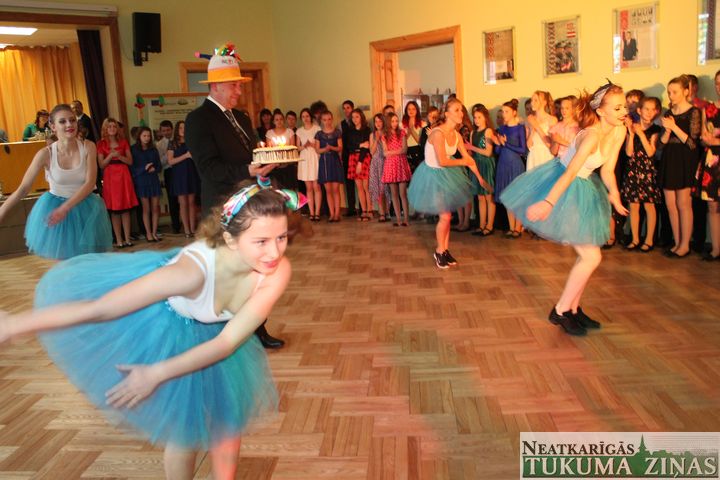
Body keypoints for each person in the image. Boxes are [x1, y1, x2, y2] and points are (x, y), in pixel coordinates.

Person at [0, 179, 306, 480]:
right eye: (261, 241)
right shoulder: (188, 274)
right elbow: (101, 309)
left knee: (227, 423)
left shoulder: (277, 271)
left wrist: (157, 374)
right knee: (184, 431)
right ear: (230, 239)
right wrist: (15, 325)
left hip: (220, 335)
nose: (274, 252)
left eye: (281, 237)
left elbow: (226, 343)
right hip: (171, 326)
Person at [500, 81, 628, 336]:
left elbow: (608, 170)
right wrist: (548, 202)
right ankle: (560, 311)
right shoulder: (591, 136)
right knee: (592, 257)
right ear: (601, 111)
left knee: (587, 256)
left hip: (583, 187)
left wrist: (614, 194)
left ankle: (573, 309)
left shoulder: (619, 131)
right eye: (617, 108)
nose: (624, 111)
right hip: (563, 186)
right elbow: (569, 173)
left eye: (624, 106)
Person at [182, 44, 283, 349]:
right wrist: (247, 169)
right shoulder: (198, 120)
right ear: (216, 86)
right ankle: (228, 332)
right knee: (229, 273)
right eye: (234, 85)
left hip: (250, 203)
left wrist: (265, 167)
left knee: (255, 268)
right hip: (222, 208)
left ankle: (257, 328)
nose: (239, 90)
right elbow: (209, 168)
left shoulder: (241, 117)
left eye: (240, 85)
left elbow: (253, 154)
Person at [0, 104, 112, 259]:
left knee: (89, 261)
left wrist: (65, 208)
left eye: (72, 120)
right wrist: (2, 211)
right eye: (62, 121)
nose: (69, 124)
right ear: (53, 126)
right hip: (56, 208)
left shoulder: (88, 146)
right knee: (66, 262)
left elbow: (89, 183)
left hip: (85, 209)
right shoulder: (45, 154)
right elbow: (24, 188)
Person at [408, 98, 491, 269]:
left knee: (447, 217)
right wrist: (463, 162)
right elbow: (443, 161)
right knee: (445, 216)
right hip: (432, 176)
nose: (461, 113)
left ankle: (445, 250)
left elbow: (468, 159)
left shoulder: (457, 135)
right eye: (456, 110)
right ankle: (439, 251)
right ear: (446, 114)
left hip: (446, 175)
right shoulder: (438, 134)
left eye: (461, 110)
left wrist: (480, 179)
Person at [659, 75, 701, 258]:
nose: (671, 95)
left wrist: (674, 127)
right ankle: (677, 243)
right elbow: (662, 143)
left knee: (683, 204)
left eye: (675, 92)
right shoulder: (668, 113)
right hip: (669, 158)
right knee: (671, 204)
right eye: (669, 92)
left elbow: (692, 143)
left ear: (686, 91)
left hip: (685, 159)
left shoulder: (694, 112)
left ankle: (685, 245)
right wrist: (667, 130)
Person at [622, 97, 662, 252]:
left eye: (653, 109)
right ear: (639, 110)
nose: (649, 112)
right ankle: (635, 239)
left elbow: (651, 152)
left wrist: (641, 134)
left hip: (647, 171)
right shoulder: (632, 128)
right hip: (633, 170)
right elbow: (628, 152)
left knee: (649, 206)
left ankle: (649, 239)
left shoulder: (655, 129)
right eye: (646, 109)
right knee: (633, 206)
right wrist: (632, 134)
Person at [97, 118, 138, 248]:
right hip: (110, 177)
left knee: (125, 209)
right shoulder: (101, 144)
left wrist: (119, 156)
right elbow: (101, 164)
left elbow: (130, 161)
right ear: (105, 129)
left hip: (124, 175)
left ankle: (127, 239)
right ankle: (119, 240)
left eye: (114, 126)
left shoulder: (123, 142)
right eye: (109, 127)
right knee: (115, 210)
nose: (112, 129)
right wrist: (111, 155)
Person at [694, 69, 720, 261]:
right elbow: (703, 137)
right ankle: (716, 249)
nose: (719, 87)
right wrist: (706, 140)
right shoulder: (708, 109)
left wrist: (716, 141)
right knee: (712, 206)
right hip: (712, 160)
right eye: (717, 83)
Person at [494, 99, 527, 238]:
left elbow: (522, 150)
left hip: (515, 165)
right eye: (502, 111)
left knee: (516, 197)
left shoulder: (520, 128)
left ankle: (518, 228)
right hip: (503, 163)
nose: (504, 114)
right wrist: (498, 143)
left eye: (506, 111)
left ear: (514, 112)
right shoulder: (502, 128)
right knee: (507, 196)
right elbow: (497, 151)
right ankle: (512, 227)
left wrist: (505, 143)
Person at [467, 104, 496, 236]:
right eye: (475, 117)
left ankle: (490, 226)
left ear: (485, 117)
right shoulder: (473, 133)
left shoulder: (488, 131)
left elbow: (488, 152)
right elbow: (471, 151)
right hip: (476, 165)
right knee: (480, 197)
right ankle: (481, 225)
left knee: (488, 196)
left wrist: (472, 148)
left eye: (479, 117)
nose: (477, 120)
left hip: (486, 164)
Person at [131, 126, 163, 242]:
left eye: (148, 136)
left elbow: (159, 166)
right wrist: (144, 169)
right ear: (139, 136)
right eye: (144, 136)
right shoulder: (133, 149)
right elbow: (132, 169)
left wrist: (155, 169)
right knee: (146, 209)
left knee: (155, 208)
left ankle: (154, 233)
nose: (147, 138)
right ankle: (148, 233)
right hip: (142, 181)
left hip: (153, 180)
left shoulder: (153, 149)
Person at [382, 112, 412, 226]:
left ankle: (406, 219)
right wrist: (397, 151)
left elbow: (404, 150)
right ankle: (398, 219)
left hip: (401, 164)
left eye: (396, 121)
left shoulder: (402, 133)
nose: (395, 123)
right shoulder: (384, 136)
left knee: (402, 194)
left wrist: (391, 152)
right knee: (394, 194)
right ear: (388, 122)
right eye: (392, 121)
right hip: (390, 165)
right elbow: (385, 153)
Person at [314, 111, 344, 222]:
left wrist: (331, 148)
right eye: (325, 120)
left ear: (332, 119)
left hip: (334, 160)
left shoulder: (337, 132)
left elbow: (340, 147)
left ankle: (337, 213)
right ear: (321, 121)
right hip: (324, 161)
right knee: (328, 190)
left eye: (329, 119)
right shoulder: (319, 134)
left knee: (336, 189)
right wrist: (325, 149)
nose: (327, 122)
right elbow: (317, 150)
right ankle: (331, 214)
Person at [346, 108, 372, 221]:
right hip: (353, 157)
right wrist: (360, 144)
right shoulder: (350, 131)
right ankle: (363, 211)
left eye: (357, 117)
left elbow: (367, 147)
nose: (355, 119)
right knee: (359, 187)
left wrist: (360, 162)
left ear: (361, 117)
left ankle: (370, 211)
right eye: (353, 117)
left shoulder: (366, 130)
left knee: (366, 187)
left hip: (363, 158)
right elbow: (349, 146)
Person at [296, 108, 322, 221]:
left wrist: (313, 145)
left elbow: (320, 145)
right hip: (304, 158)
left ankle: (317, 212)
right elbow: (297, 147)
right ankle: (311, 212)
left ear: (310, 117)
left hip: (315, 157)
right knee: (309, 188)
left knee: (317, 186)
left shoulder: (317, 129)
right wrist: (305, 145)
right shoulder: (299, 131)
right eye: (303, 117)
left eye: (307, 116)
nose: (305, 118)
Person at [156, 120, 182, 234]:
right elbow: (160, 163)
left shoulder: (179, 140)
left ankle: (186, 223)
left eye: (168, 130)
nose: (166, 132)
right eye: (163, 131)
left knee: (183, 198)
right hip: (169, 172)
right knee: (172, 199)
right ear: (160, 131)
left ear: (172, 129)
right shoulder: (159, 144)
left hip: (181, 171)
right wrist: (168, 154)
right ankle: (176, 226)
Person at [340, 100, 358, 216]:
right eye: (344, 108)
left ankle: (364, 208)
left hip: (358, 155)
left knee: (361, 183)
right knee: (349, 183)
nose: (346, 110)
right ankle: (351, 208)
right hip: (347, 155)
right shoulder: (341, 124)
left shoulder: (359, 122)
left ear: (352, 108)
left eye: (348, 107)